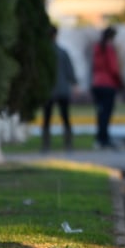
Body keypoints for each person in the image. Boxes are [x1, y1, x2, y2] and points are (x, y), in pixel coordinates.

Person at [42, 24, 78, 152]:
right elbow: (70, 71)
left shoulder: (45, 54)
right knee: (65, 118)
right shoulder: (62, 52)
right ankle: (68, 145)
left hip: (49, 90)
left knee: (47, 118)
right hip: (63, 90)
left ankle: (46, 145)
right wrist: (74, 84)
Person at [91, 26, 124, 149]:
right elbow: (113, 68)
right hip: (108, 85)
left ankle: (100, 138)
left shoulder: (97, 49)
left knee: (100, 113)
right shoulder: (109, 49)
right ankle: (104, 139)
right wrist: (120, 83)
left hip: (97, 84)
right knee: (106, 113)